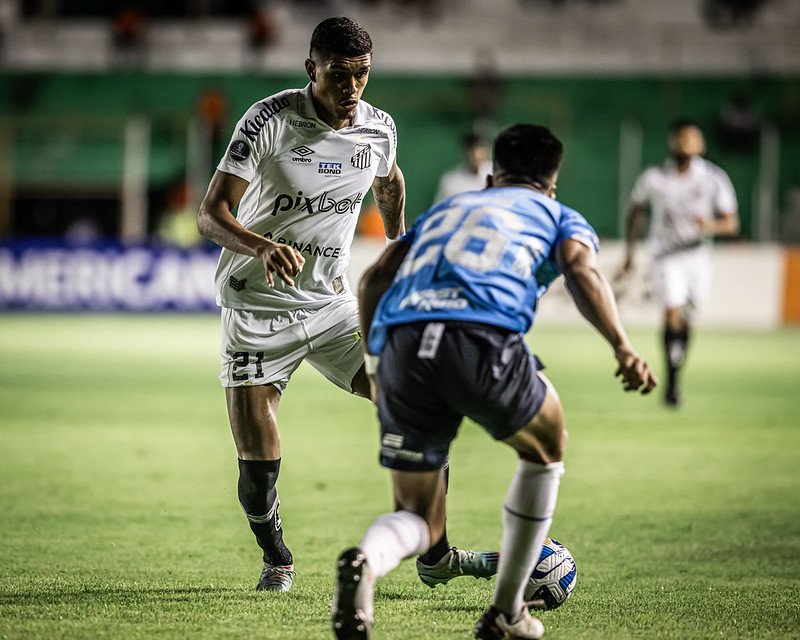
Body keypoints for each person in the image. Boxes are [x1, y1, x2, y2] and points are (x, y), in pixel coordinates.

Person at [197, 16, 497, 594]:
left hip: (333, 306)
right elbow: (211, 214)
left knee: (413, 406)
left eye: (362, 74)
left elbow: (389, 180)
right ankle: (277, 558)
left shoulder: (379, 128)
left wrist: (399, 238)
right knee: (257, 469)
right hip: (256, 308)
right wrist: (262, 247)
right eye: (339, 74)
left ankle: (434, 552)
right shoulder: (269, 120)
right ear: (312, 69)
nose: (352, 87)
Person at [331, 124, 657, 640]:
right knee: (547, 446)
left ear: (491, 176)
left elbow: (373, 280)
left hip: (404, 346)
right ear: (552, 182)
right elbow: (582, 271)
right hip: (481, 339)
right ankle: (506, 613)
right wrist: (623, 345)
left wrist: (378, 358)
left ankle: (366, 561)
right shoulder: (558, 216)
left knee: (416, 516)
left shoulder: (444, 211)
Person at [617, 120, 739, 406]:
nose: (685, 144)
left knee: (688, 319)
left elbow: (731, 224)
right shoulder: (655, 178)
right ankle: (671, 384)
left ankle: (675, 374)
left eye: (691, 139)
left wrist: (709, 225)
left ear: (701, 145)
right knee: (672, 310)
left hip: (698, 257)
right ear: (671, 143)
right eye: (680, 139)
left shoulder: (713, 178)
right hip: (665, 255)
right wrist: (630, 252)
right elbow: (635, 210)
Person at [433, 133, 493, 203]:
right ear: (464, 152)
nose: (476, 155)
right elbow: (440, 209)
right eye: (471, 150)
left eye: (480, 149)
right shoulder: (451, 180)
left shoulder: (499, 173)